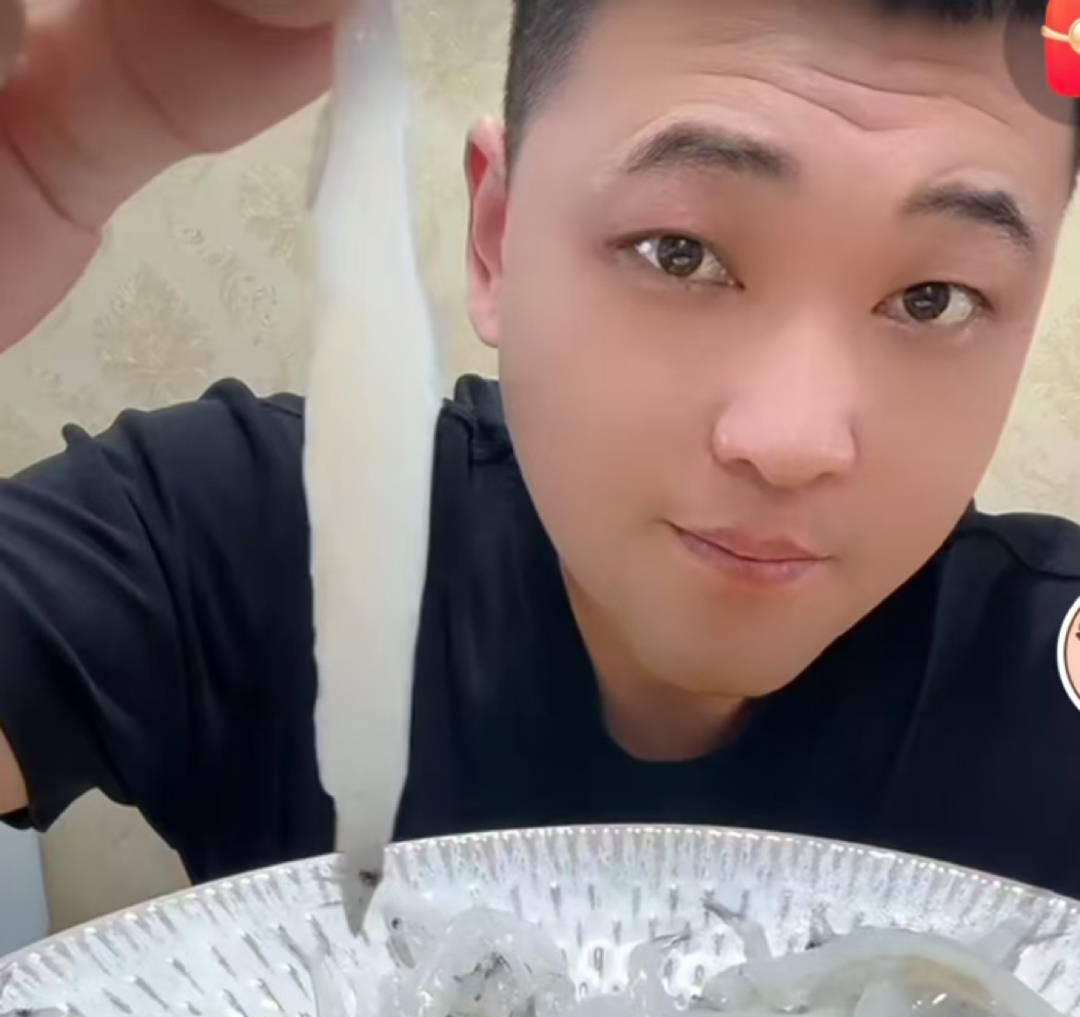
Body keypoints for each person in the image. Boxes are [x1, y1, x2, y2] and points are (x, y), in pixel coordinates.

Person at [1, 0, 1079, 903]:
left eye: (934, 299)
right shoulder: (254, 533)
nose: (791, 441)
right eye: (681, 253)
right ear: (495, 235)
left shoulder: (1047, 678)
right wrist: (39, 164)